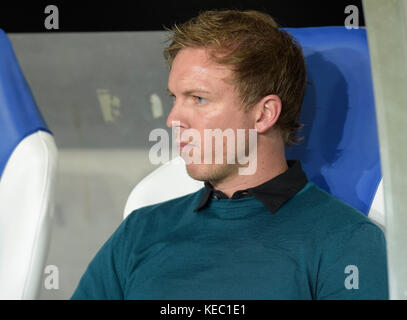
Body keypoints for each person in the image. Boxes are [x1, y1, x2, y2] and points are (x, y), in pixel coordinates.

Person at [71, 9, 388, 299]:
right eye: (175, 99)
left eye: (197, 98)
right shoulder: (139, 230)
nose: (173, 120)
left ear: (264, 115)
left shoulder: (347, 243)